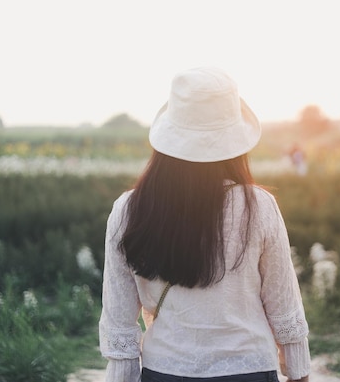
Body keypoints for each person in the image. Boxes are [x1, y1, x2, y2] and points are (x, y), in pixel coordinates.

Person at [99, 67, 311, 382]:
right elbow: (284, 305)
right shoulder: (259, 207)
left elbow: (119, 324)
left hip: (165, 371)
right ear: (236, 143)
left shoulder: (129, 210)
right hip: (249, 369)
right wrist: (299, 373)